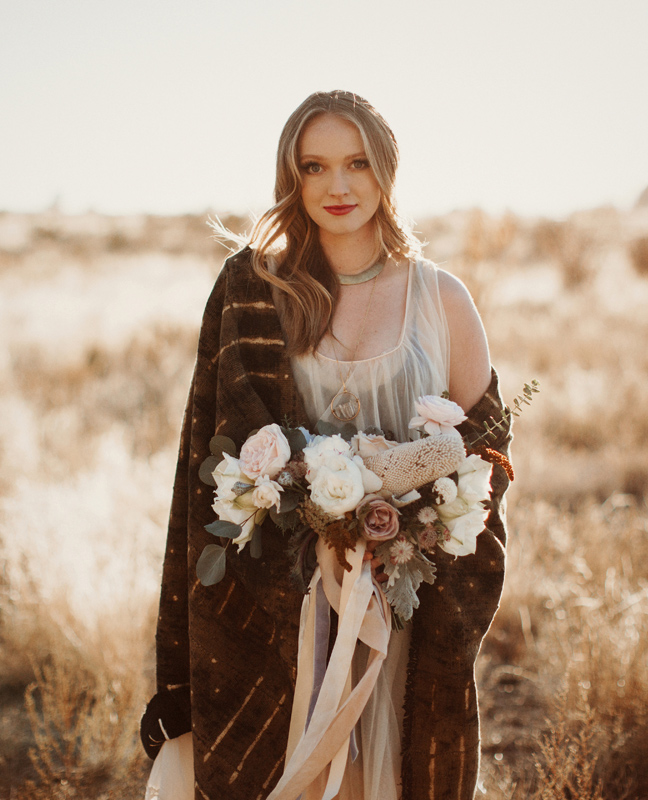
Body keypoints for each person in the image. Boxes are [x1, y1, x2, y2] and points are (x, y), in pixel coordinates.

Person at [142, 90, 512, 800]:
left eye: (356, 164)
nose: (337, 187)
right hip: (289, 605)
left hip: (406, 604)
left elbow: (487, 436)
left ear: (386, 170)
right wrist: (319, 496)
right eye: (314, 167)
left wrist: (417, 489)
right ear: (292, 179)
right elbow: (223, 438)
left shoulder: (442, 297)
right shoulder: (258, 289)